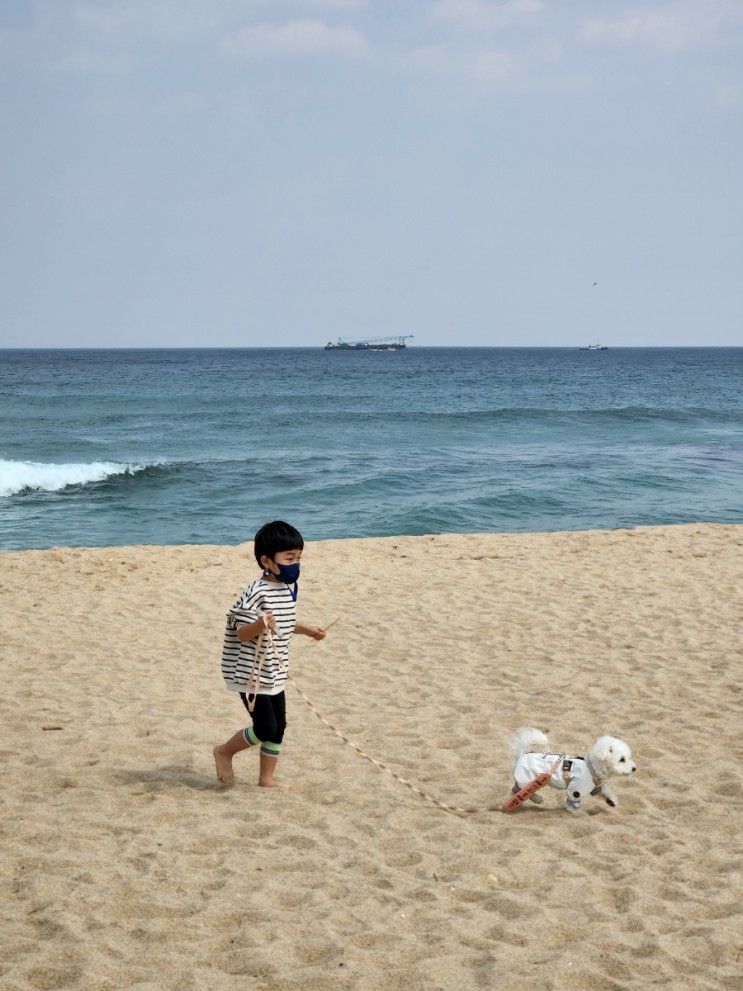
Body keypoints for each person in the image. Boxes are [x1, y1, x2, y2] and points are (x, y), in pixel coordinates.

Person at [213, 520, 326, 787]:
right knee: (265, 728)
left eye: (299, 557)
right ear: (267, 561)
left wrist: (308, 630)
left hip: (276, 671)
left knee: (280, 727)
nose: (296, 564)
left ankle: (266, 778)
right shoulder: (255, 592)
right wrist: (259, 623)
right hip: (251, 674)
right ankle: (224, 752)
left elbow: (283, 624)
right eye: (289, 558)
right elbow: (242, 632)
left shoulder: (287, 590)